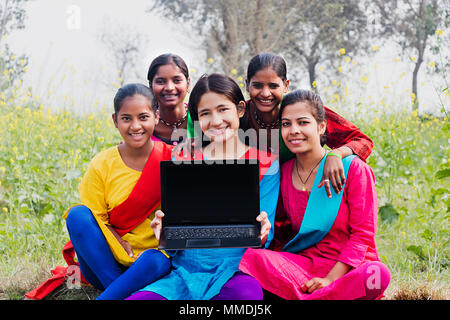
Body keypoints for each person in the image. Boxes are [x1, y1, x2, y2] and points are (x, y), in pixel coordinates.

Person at [126, 73, 280, 300]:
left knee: (246, 296)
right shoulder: (185, 158)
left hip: (237, 269)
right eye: (205, 113)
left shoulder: (266, 163)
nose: (216, 121)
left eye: (222, 109)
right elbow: (176, 239)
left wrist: (263, 230)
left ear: (239, 109)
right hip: (185, 271)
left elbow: (266, 235)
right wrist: (164, 232)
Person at [239, 89, 390, 300]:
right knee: (248, 257)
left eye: (303, 123)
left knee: (377, 275)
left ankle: (313, 295)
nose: (293, 131)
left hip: (350, 268)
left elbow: (362, 235)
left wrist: (330, 280)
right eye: (286, 124)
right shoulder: (284, 172)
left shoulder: (354, 169)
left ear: (321, 126)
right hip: (305, 266)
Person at [184, 53, 374, 198]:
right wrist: (194, 141)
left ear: (286, 85)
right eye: (257, 85)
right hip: (253, 196)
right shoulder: (239, 114)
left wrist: (336, 154)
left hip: (300, 191)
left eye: (273, 86)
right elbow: (203, 119)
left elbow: (361, 140)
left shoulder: (299, 110)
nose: (265, 93)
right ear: (247, 85)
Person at [64, 83, 173, 300]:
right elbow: (96, 220)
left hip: (151, 265)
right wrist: (119, 241)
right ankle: (119, 289)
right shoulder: (102, 164)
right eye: (126, 118)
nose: (135, 126)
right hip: (106, 263)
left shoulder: (173, 158)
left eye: (143, 117)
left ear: (156, 116)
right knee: (77, 215)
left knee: (156, 259)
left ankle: (112, 295)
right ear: (115, 121)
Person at [147, 53, 191, 146]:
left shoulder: (201, 118)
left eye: (177, 80)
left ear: (188, 84)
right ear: (150, 86)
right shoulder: (144, 125)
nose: (169, 88)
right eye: (160, 82)